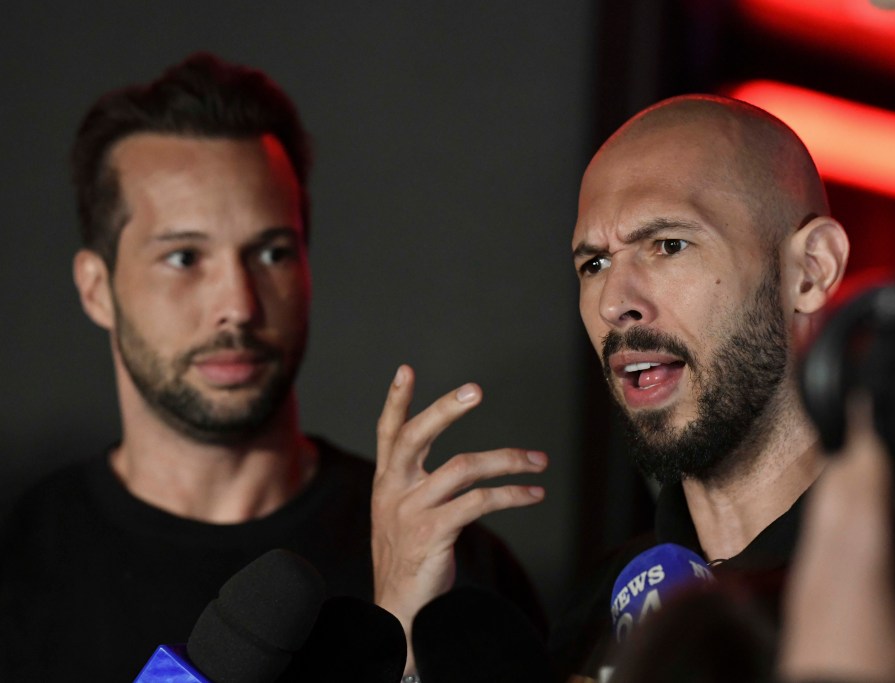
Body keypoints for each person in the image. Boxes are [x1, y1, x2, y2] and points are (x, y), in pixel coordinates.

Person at [0, 53, 546, 681]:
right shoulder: (20, 566)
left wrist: (404, 630)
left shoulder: (443, 561)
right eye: (184, 258)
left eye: (271, 253)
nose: (238, 304)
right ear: (96, 289)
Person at [547, 93, 851, 679]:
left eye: (668, 246)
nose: (614, 304)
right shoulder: (593, 614)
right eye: (595, 264)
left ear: (812, 270)